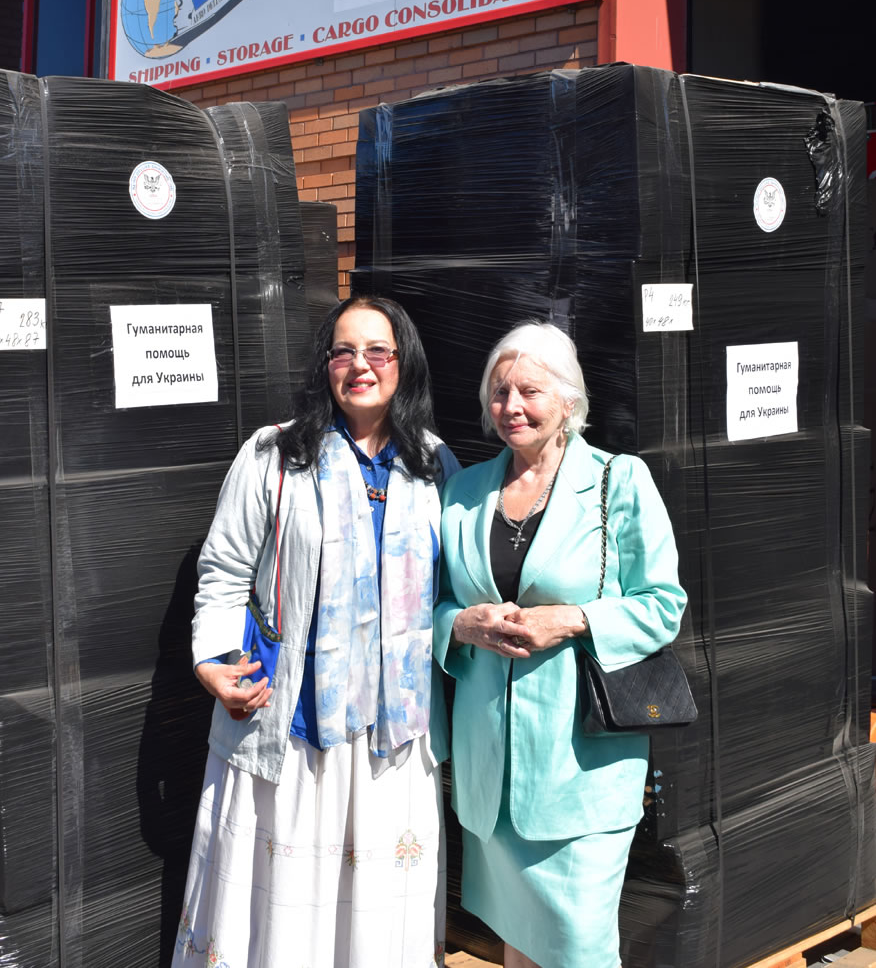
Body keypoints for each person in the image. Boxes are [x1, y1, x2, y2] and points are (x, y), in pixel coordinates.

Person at [175, 295, 459, 968]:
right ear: (324, 364)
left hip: (394, 736)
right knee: (288, 913)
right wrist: (213, 661)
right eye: (343, 351)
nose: (360, 365)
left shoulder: (434, 464)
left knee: (376, 914)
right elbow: (223, 570)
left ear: (404, 363)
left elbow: (451, 589)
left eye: (378, 351)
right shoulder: (274, 454)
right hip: (296, 727)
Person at [434, 322, 687, 968]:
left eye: (529, 391)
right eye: (499, 392)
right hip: (492, 775)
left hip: (581, 773)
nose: (511, 406)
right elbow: (434, 605)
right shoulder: (463, 493)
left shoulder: (618, 482)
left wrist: (572, 620)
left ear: (568, 399)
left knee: (578, 950)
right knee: (518, 947)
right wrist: (461, 627)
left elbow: (663, 606)